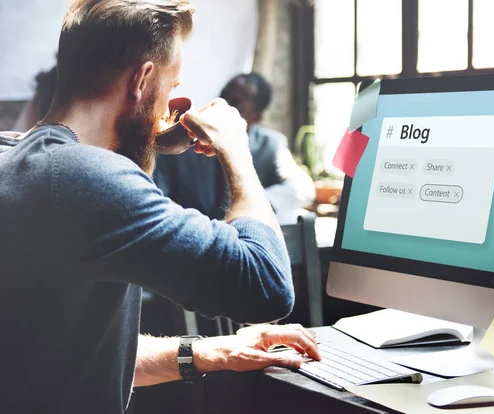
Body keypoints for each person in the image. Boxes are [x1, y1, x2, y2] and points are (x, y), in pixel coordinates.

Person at [0, 1, 319, 413]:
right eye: (171, 86)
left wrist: (215, 351)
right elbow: (268, 286)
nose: (169, 105)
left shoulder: (17, 157)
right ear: (143, 79)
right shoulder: (85, 177)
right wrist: (237, 151)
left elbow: (67, 354)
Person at [154, 73, 315, 223]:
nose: (224, 105)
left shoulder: (270, 145)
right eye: (223, 95)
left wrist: (250, 206)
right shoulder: (182, 140)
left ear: (257, 116)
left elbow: (302, 188)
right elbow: (157, 195)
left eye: (236, 102)